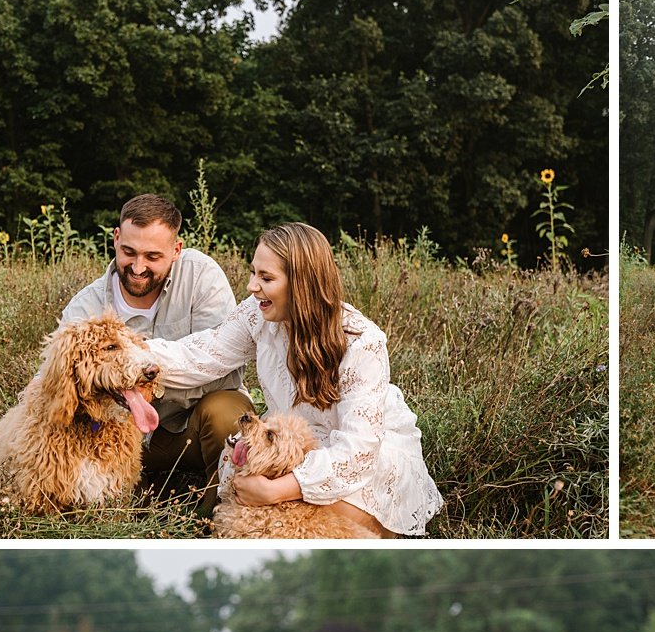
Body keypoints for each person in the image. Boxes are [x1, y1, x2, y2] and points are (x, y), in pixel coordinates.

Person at [144, 222, 444, 536]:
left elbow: (358, 452)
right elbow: (203, 355)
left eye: (266, 278)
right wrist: (132, 356)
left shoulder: (360, 341)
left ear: (301, 284)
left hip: (359, 457)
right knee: (251, 495)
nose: (252, 286)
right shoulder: (257, 313)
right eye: (253, 272)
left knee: (311, 512)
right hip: (287, 444)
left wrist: (276, 491)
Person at [60, 193, 253, 509]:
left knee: (228, 416)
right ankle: (124, 497)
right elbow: (55, 385)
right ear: (116, 238)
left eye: (152, 256)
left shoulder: (201, 276)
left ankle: (212, 516)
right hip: (113, 435)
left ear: (176, 250)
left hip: (186, 426)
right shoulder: (86, 306)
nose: (137, 267)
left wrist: (144, 372)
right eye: (129, 252)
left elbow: (222, 363)